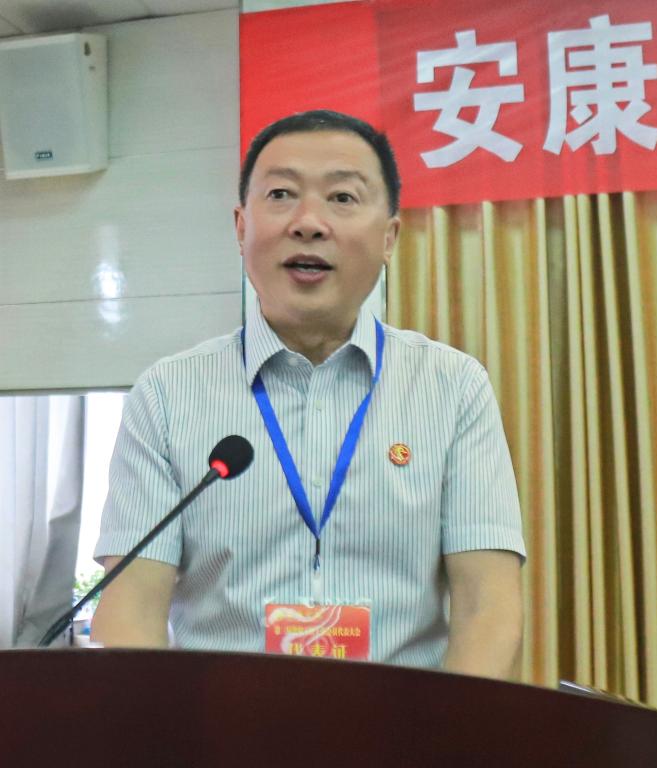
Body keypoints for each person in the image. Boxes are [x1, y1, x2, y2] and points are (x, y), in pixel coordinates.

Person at [90, 110, 526, 679]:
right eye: (281, 195)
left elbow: (486, 606)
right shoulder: (167, 396)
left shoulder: (453, 388)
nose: (309, 223)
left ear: (389, 237)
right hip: (220, 724)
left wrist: (447, 730)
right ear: (241, 227)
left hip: (403, 726)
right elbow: (131, 608)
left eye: (343, 198)